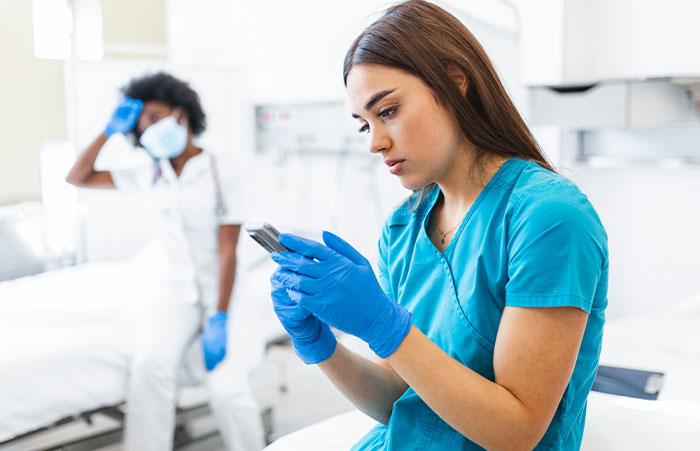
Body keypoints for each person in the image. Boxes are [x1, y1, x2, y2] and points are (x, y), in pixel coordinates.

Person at [268, 1, 608, 450]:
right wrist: (321, 346)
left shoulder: (548, 218)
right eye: (363, 125)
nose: (375, 142)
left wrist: (385, 325)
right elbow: (400, 400)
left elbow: (516, 432)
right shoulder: (403, 226)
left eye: (387, 111)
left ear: (455, 83)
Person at [66, 72, 264, 451]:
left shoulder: (224, 171)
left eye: (156, 118)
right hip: (172, 290)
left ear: (181, 113)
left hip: (221, 291)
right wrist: (108, 131)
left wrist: (219, 316)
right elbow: (78, 176)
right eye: (142, 127)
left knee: (226, 390)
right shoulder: (149, 172)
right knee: (148, 368)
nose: (150, 130)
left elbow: (227, 250)